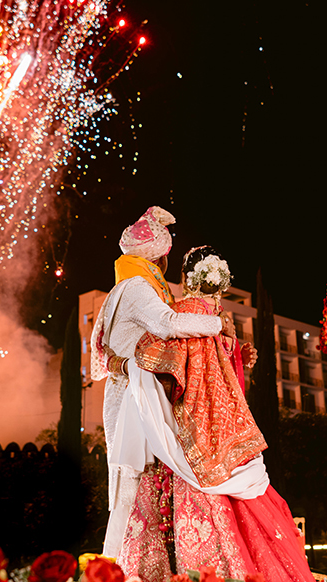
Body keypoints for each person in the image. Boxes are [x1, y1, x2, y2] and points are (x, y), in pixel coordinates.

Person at [116, 246, 315, 582]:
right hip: (222, 429)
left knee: (168, 504)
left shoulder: (182, 314)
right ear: (219, 284)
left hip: (187, 430)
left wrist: (126, 365)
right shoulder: (211, 319)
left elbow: (163, 362)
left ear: (186, 277)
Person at [89, 208, 233, 559]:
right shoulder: (137, 287)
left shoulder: (124, 287)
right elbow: (168, 324)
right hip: (131, 399)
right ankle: (117, 568)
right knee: (130, 483)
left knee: (142, 484)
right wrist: (218, 325)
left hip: (135, 393)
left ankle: (141, 568)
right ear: (159, 257)